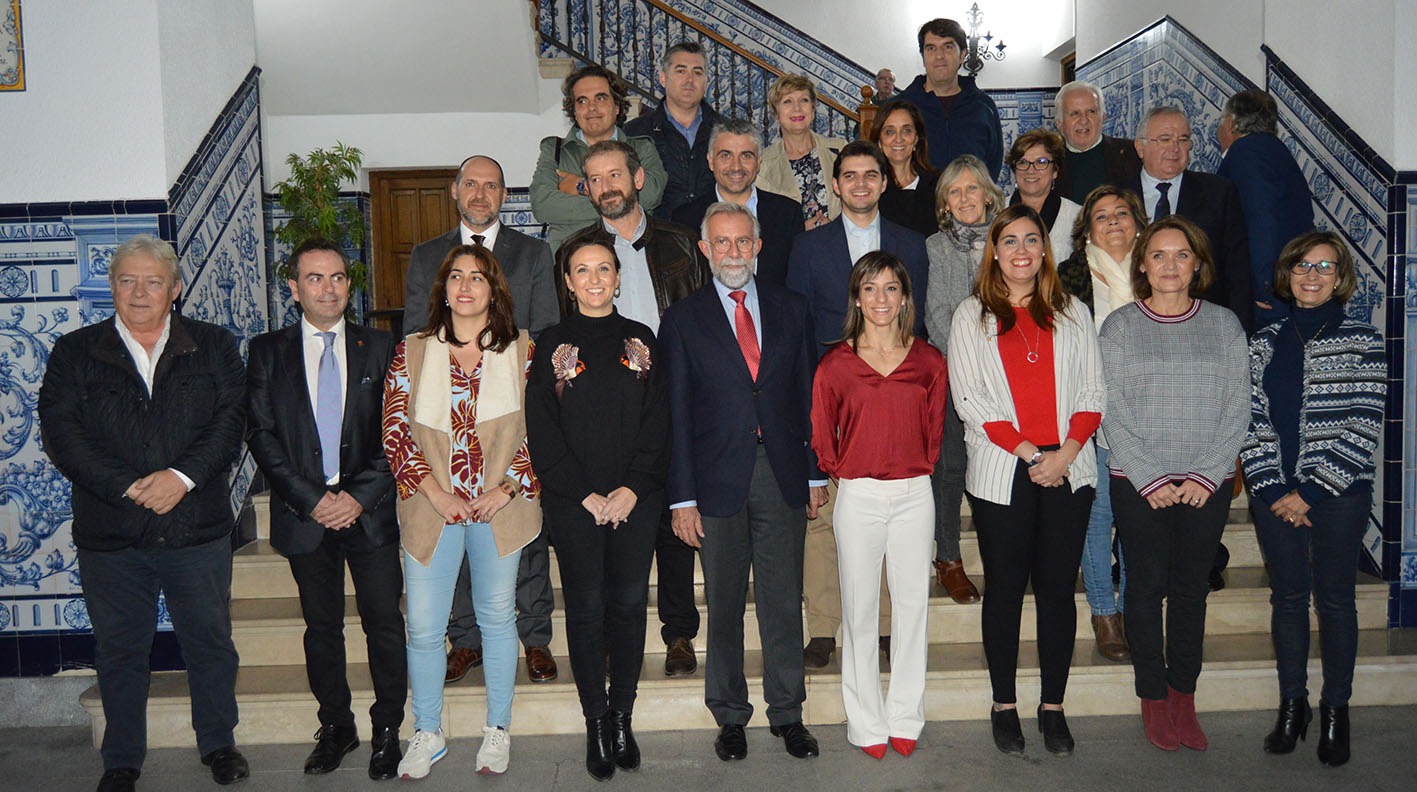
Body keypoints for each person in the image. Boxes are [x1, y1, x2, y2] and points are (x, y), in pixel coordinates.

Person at [37, 234, 248, 791]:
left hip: (195, 527)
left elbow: (230, 423)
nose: (139, 291)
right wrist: (130, 486)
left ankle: (219, 744)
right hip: (112, 533)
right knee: (120, 650)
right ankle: (122, 759)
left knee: (209, 643)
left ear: (175, 289)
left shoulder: (214, 345)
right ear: (112, 287)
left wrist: (180, 479)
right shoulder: (74, 352)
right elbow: (63, 436)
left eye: (153, 281)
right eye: (127, 280)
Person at [661, 202, 824, 764]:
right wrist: (681, 497)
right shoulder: (681, 320)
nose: (733, 252)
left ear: (758, 246)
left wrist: (813, 472)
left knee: (782, 601)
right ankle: (729, 716)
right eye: (721, 243)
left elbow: (807, 396)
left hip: (780, 474)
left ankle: (788, 714)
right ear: (705, 251)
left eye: (742, 242)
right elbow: (677, 416)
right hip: (715, 482)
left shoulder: (791, 307)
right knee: (725, 604)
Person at [245, 238, 407, 779]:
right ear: (293, 288)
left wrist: (357, 498)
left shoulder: (383, 346)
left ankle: (388, 727)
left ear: (349, 285)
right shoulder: (267, 351)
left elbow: (398, 432)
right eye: (315, 278)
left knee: (385, 624)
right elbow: (262, 435)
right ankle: (336, 726)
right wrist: (314, 500)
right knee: (322, 627)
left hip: (371, 513)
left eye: (338, 277)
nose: (328, 288)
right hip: (305, 516)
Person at [947, 205, 1105, 756]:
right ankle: (1004, 704)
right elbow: (970, 399)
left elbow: (1092, 392)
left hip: (1070, 468)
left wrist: (1062, 455)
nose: (1020, 250)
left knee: (1059, 592)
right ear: (993, 250)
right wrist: (1028, 452)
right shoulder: (972, 315)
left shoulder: (1074, 312)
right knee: (1007, 590)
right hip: (1001, 469)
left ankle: (1054, 706)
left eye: (1031, 240)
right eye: (1008, 240)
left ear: (1045, 249)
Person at [382, 244, 542, 779]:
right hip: (433, 507)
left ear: (495, 290)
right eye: (456, 277)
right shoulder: (414, 351)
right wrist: (435, 492)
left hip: (501, 506)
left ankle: (497, 730)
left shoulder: (523, 351)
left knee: (498, 618)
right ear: (443, 288)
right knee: (425, 628)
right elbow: (396, 431)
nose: (466, 286)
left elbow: (539, 430)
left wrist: (505, 488)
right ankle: (427, 731)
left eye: (478, 277)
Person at [556, 139, 712, 676]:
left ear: (638, 179)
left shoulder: (684, 243)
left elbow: (707, 319)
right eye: (595, 180)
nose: (606, 187)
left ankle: (679, 634)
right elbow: (568, 342)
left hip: (678, 396)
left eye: (614, 175)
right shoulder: (576, 252)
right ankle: (604, 637)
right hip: (609, 409)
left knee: (672, 519)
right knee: (612, 522)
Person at [403, 155, 559, 687]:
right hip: (448, 415)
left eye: (491, 186)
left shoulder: (534, 253)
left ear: (503, 194)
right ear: (455, 190)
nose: (480, 193)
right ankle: (465, 640)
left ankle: (535, 637)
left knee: (522, 528)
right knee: (458, 532)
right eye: (471, 184)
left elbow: (544, 329)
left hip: (512, 405)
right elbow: (415, 333)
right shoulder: (427, 256)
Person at [1098, 216, 1249, 753]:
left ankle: (1183, 696)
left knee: (1190, 591)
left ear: (1197, 264)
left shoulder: (1225, 325)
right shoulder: (1119, 326)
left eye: (1180, 255)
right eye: (1157, 255)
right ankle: (1152, 700)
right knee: (1144, 588)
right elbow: (1109, 408)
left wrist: (1209, 474)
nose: (1168, 265)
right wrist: (1150, 477)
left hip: (1204, 484)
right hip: (1138, 481)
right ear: (1142, 264)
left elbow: (1238, 408)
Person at [525, 237, 669, 781]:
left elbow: (659, 420)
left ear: (616, 276)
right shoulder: (552, 344)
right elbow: (542, 429)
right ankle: (595, 723)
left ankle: (622, 718)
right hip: (573, 501)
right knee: (586, 611)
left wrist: (631, 489)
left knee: (629, 608)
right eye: (581, 270)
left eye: (602, 269)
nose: (592, 279)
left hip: (638, 498)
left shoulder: (642, 340)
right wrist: (585, 495)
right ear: (567, 280)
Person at [1240, 232, 1384, 767]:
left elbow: (1364, 422)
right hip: (1273, 493)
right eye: (1303, 265)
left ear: (1340, 276)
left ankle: (1335, 711)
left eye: (1325, 266)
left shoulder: (1364, 340)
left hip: (1339, 494)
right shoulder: (1264, 339)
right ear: (1288, 273)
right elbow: (1249, 419)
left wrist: (1312, 490)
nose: (1312, 274)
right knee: (1288, 599)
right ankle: (1292, 704)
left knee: (1336, 601)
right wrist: (1274, 487)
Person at [787, 139, 930, 668]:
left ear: (884, 181)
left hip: (892, 394)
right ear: (836, 183)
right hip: (831, 394)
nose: (862, 184)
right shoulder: (809, 247)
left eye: (871, 175)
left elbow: (920, 322)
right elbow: (800, 331)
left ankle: (887, 627)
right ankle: (824, 625)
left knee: (891, 513)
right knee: (824, 511)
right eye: (850, 176)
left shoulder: (913, 244)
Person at [811, 251, 947, 759]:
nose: (881, 299)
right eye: (870, 289)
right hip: (859, 496)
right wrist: (846, 469)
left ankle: (906, 714)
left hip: (914, 494)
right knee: (860, 609)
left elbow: (935, 434)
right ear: (856, 298)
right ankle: (866, 721)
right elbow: (822, 435)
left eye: (891, 288)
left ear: (905, 296)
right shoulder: (836, 364)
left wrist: (914, 468)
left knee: (912, 608)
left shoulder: (930, 361)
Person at [1057, 185, 1150, 662]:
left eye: (1122, 213)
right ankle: (1103, 612)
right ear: (1086, 229)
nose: (1113, 222)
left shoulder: (1159, 269)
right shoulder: (1069, 277)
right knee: (1099, 518)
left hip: (1150, 414)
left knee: (1140, 518)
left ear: (1137, 220)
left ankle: (1136, 610)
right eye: (1101, 216)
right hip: (1090, 414)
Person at [922, 154, 1001, 605]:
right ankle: (948, 558)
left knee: (999, 467)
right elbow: (936, 312)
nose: (966, 197)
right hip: (952, 374)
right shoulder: (934, 246)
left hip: (1008, 378)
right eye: (955, 190)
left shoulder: (1009, 239)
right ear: (945, 202)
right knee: (950, 468)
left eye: (973, 188)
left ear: (988, 195)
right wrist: (965, 371)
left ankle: (1001, 554)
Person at [1125, 106, 1253, 333]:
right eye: (1165, 139)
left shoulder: (1218, 193)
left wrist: (1239, 331)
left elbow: (1238, 271)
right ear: (1140, 147)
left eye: (1183, 140)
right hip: (1134, 325)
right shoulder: (1117, 197)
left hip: (1205, 327)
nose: (1175, 148)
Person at [530, 64, 668, 251]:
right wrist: (619, 201)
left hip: (633, 254)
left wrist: (581, 187)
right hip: (573, 261)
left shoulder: (642, 148)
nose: (592, 108)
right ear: (574, 111)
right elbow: (543, 206)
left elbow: (651, 196)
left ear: (617, 106)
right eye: (582, 101)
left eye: (601, 98)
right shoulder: (554, 151)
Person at [1216, 89, 1315, 328]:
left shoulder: (1245, 153)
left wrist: (1264, 286)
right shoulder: (1275, 150)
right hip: (1287, 284)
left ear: (1230, 123)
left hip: (1268, 298)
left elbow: (1262, 220)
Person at [673, 118, 804, 286]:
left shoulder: (787, 214)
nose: (736, 167)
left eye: (746, 156)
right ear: (711, 161)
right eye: (726, 155)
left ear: (758, 163)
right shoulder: (684, 219)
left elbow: (796, 283)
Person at [626, 41, 723, 221]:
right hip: (658, 237)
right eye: (681, 71)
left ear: (706, 82)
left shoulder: (725, 131)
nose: (689, 80)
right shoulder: (635, 132)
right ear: (663, 78)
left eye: (697, 72)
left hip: (715, 236)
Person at [897, 18, 1003, 177]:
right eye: (931, 48)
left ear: (963, 55)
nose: (939, 56)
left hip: (969, 201)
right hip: (912, 202)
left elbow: (993, 163)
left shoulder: (983, 107)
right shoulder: (900, 107)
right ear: (923, 57)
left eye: (948, 47)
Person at [758, 73, 846, 229]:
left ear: (812, 109)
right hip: (790, 249)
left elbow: (859, 201)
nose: (797, 108)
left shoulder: (840, 150)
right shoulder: (763, 163)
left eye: (804, 100)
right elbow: (763, 219)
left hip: (839, 244)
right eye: (787, 102)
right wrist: (799, 229)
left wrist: (835, 228)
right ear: (776, 114)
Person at [1053, 80, 1142, 204]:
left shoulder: (1132, 153)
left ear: (1103, 117)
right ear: (1060, 124)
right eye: (1075, 113)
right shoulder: (1049, 161)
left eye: (1091, 112)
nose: (1083, 120)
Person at [1007, 129, 1082, 266]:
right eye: (1023, 162)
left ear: (1055, 171)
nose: (1031, 170)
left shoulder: (1077, 216)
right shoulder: (996, 211)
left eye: (1041, 162)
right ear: (1014, 169)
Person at [870, 99, 941, 236]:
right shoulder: (870, 187)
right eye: (890, 132)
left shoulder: (938, 185)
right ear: (879, 140)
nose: (898, 139)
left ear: (916, 139)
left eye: (906, 131)